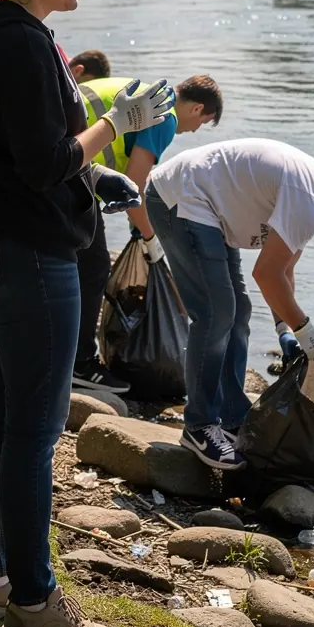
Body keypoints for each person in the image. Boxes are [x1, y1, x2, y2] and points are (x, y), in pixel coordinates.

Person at [0, 0, 173, 627]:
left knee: (7, 417)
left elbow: (12, 151)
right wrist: (119, 125)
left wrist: (95, 175)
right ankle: (34, 600)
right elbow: (44, 163)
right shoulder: (17, 43)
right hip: (24, 247)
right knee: (34, 433)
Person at [146, 138, 314, 471]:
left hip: (208, 208)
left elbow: (284, 271)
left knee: (238, 312)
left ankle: (233, 419)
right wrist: (305, 329)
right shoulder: (310, 199)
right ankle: (199, 425)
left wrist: (284, 330)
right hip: (181, 197)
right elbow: (266, 273)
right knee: (216, 313)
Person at [73, 74, 223, 393]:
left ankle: (61, 345)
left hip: (58, 152)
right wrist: (149, 237)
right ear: (197, 108)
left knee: (73, 259)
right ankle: (81, 363)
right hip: (69, 165)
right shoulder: (164, 116)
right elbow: (136, 183)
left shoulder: (148, 93)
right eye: (202, 123)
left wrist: (139, 228)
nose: (194, 131)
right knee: (94, 266)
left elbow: (130, 183)